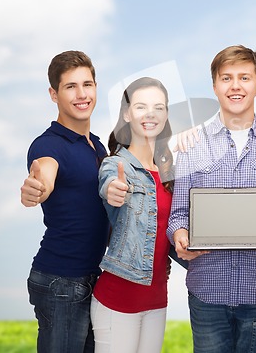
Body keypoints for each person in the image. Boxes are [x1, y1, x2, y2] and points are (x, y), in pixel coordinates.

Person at [167, 44, 256, 353]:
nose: (235, 86)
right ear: (215, 86)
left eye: (244, 77)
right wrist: (179, 236)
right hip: (207, 291)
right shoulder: (192, 145)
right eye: (226, 78)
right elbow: (178, 214)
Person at [20, 50, 109, 353]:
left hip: (90, 277)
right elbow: (44, 175)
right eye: (71, 86)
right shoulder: (48, 145)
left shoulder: (97, 145)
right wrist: (36, 188)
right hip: (61, 281)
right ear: (53, 94)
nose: (82, 94)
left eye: (87, 84)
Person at [90, 77, 174, 353]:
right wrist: (114, 190)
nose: (150, 114)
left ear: (166, 115)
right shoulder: (116, 165)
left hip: (157, 300)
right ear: (127, 114)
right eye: (141, 107)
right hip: (118, 300)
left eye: (158, 107)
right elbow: (109, 184)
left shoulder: (168, 174)